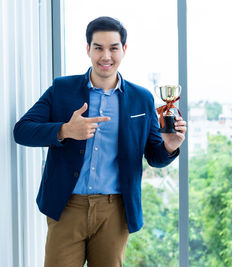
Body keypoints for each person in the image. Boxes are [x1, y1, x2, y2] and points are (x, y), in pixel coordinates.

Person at [13, 16, 187, 267]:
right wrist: (65, 130)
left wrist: (170, 145)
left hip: (115, 211)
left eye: (113, 48)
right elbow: (23, 131)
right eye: (98, 48)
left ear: (124, 50)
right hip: (67, 206)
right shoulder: (62, 89)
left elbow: (155, 156)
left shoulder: (141, 98)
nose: (106, 56)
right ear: (88, 50)